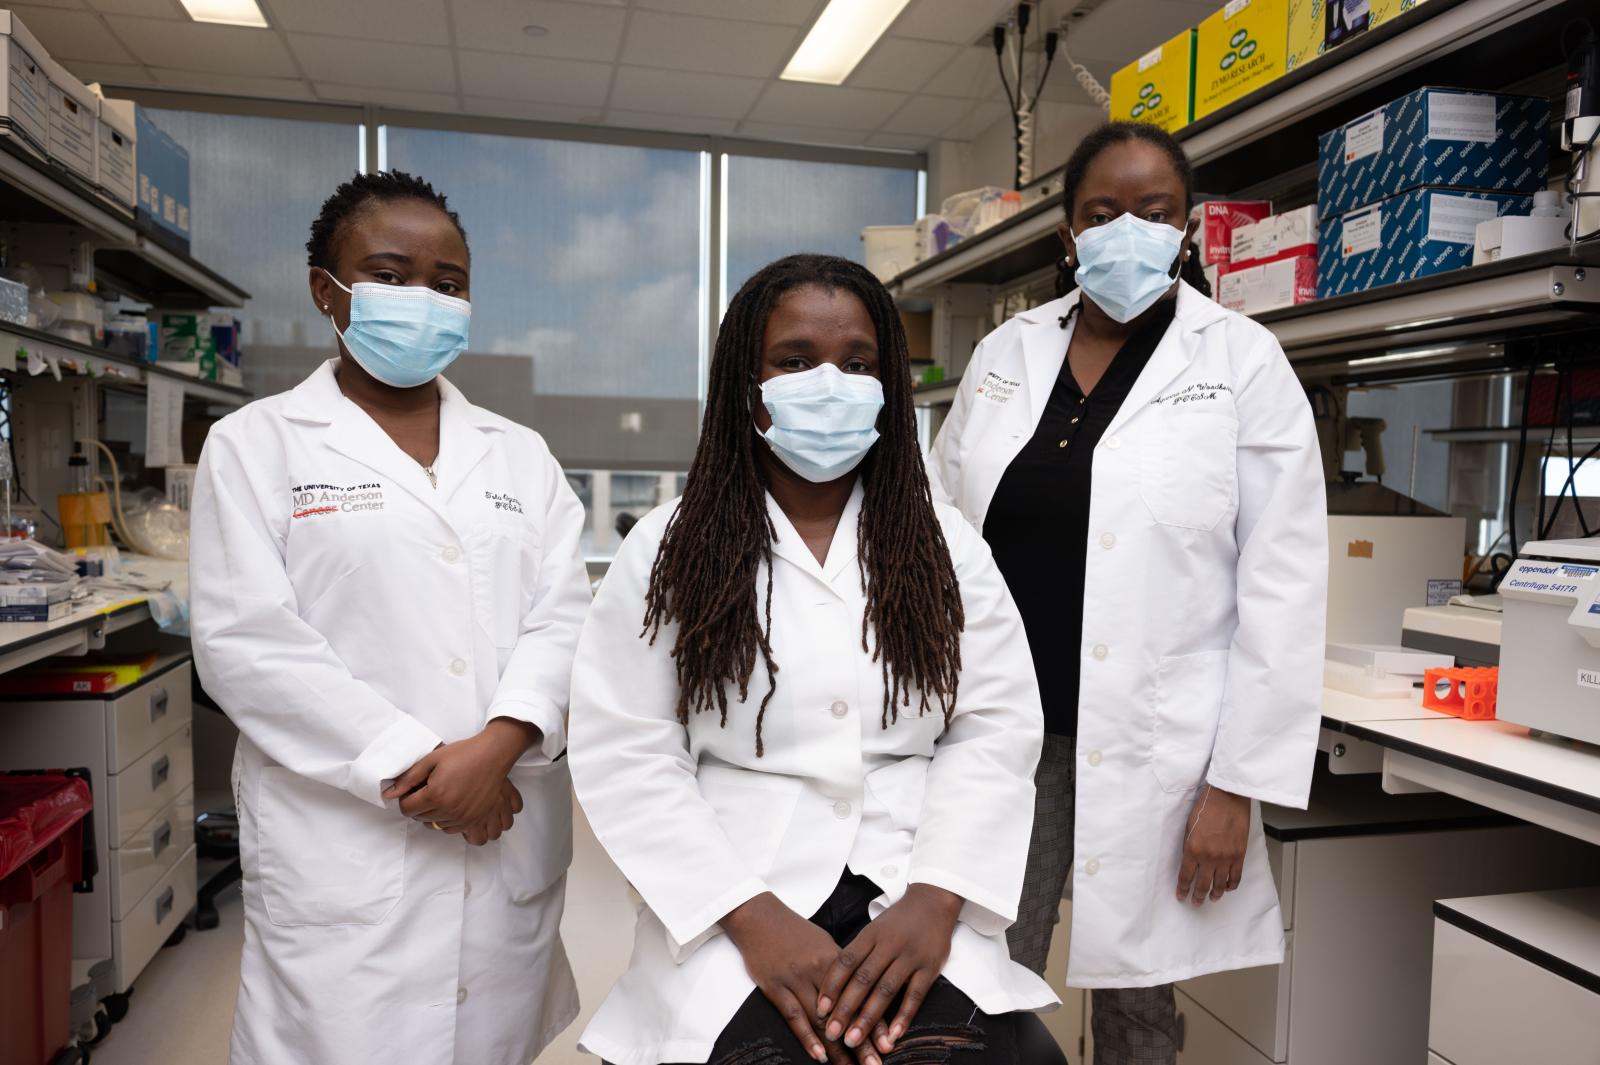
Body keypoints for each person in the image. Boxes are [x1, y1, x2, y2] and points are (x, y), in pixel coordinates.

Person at [569, 254, 1063, 1065]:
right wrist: (751, 916)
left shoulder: (943, 545)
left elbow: (993, 728)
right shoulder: (669, 546)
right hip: (738, 889)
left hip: (910, 880)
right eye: (795, 361)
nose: (829, 382)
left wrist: (936, 897)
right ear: (746, 382)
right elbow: (628, 747)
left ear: (888, 385)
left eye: (858, 363)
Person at [926, 122, 1328, 1063]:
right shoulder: (1003, 356)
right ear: (1068, 234)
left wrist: (1235, 786)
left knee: (1138, 1008)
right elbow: (939, 538)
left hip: (1160, 749)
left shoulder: (1241, 361)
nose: (1129, 232)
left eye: (1156, 213)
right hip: (1000, 735)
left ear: (1187, 230)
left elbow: (1285, 581)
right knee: (975, 975)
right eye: (1103, 213)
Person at [189, 170, 591, 1065]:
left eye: (447, 283)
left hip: (505, 820)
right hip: (346, 840)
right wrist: (420, 768)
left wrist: (498, 747)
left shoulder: (519, 456)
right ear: (326, 292)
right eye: (392, 273)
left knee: (491, 1041)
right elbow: (246, 643)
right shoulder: (257, 444)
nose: (424, 299)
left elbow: (567, 616)